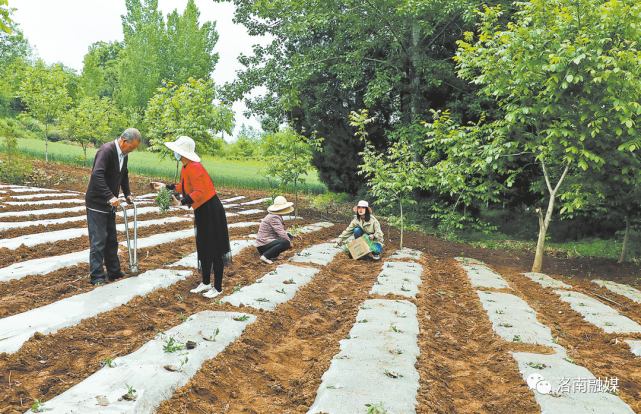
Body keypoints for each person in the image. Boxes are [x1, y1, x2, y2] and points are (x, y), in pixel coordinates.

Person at [150, 136, 231, 299]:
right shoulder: (186, 167)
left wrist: (180, 202)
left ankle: (218, 287)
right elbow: (184, 187)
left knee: (214, 247)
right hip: (201, 209)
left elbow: (199, 192)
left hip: (211, 209)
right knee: (203, 245)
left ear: (182, 152)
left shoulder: (195, 167)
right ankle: (206, 282)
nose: (175, 153)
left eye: (176, 151)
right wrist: (165, 187)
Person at [85, 128, 141, 285]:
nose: (131, 150)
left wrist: (127, 193)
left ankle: (114, 272)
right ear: (124, 141)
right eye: (131, 147)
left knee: (111, 240)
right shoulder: (107, 150)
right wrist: (110, 196)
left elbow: (124, 174)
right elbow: (97, 174)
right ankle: (97, 277)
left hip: (110, 204)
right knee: (98, 241)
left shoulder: (123, 155)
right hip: (97, 203)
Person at [256, 196, 302, 264]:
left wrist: (292, 236)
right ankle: (265, 256)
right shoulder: (274, 217)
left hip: (265, 244)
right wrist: (289, 242)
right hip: (263, 245)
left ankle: (274, 256)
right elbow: (281, 233)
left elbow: (279, 232)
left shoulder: (275, 216)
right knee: (285, 242)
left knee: (285, 239)